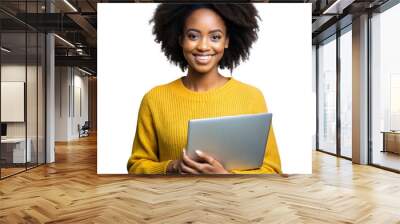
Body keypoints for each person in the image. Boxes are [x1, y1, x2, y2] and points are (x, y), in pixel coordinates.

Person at [127, 3, 281, 174]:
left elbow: (272, 169)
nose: (203, 46)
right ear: (180, 40)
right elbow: (136, 166)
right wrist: (172, 167)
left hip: (233, 200)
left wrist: (225, 177)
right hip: (171, 200)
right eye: (193, 36)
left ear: (227, 41)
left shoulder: (251, 97)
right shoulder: (154, 99)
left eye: (215, 37)